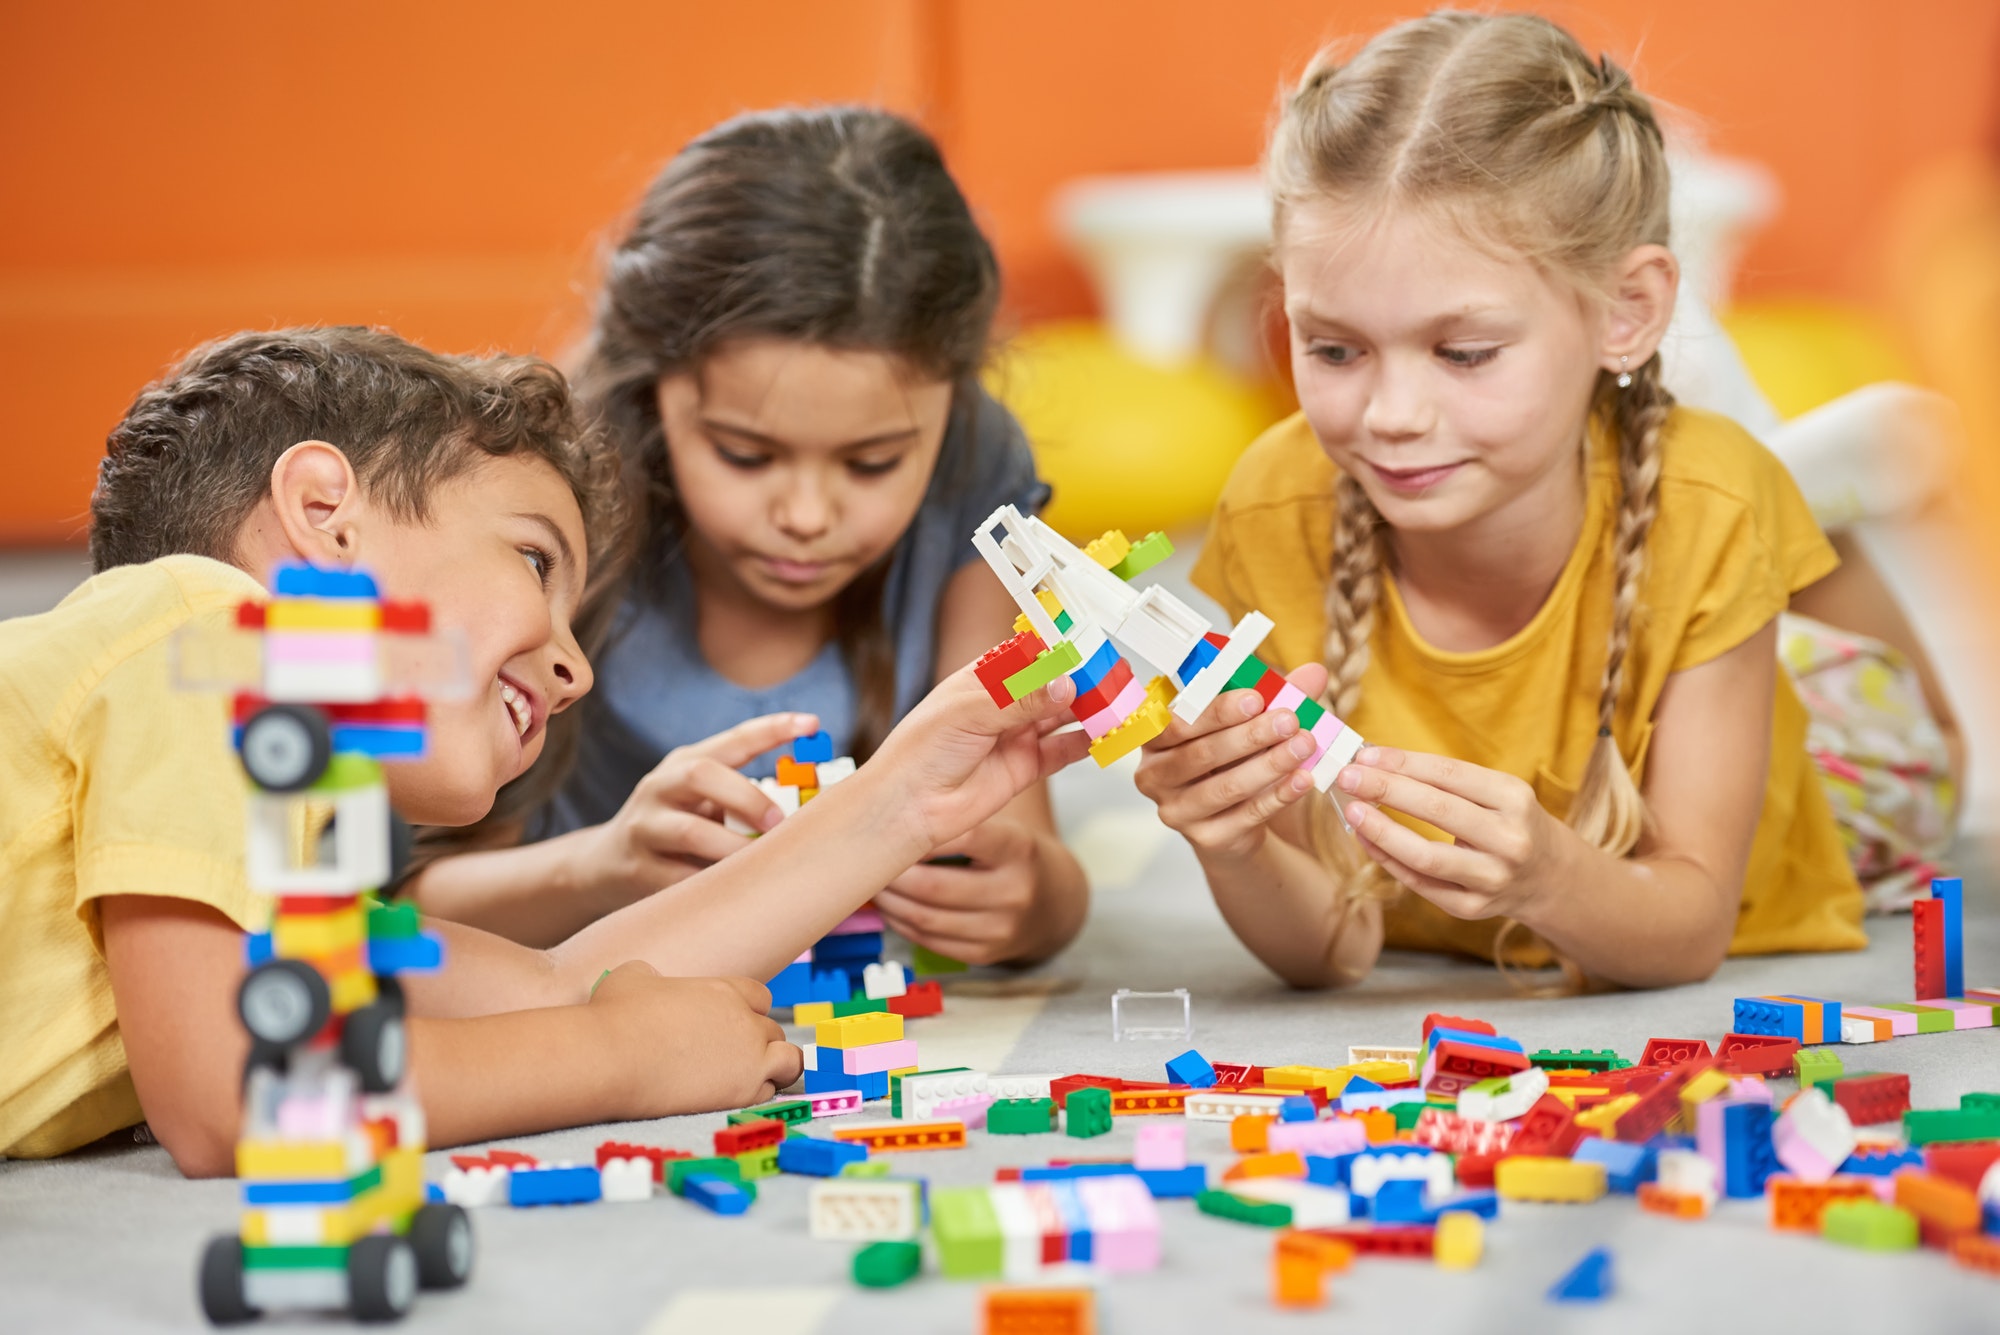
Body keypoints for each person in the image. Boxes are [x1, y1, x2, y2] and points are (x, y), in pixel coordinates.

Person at [0, 327, 1084, 1175]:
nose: (576, 672)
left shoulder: (261, 846)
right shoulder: (203, 630)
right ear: (325, 516)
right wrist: (623, 1062)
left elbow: (561, 986)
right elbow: (244, 1099)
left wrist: (904, 801)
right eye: (532, 560)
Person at [1134, 11, 1948, 990]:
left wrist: (1547, 875)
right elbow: (1329, 946)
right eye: (1333, 349)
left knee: (1881, 709)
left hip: (1826, 760)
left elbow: (1686, 929)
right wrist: (1232, 846)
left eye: (1463, 352)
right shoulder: (1275, 502)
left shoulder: (1711, 508)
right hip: (1618, 588)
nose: (1390, 416)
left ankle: (1809, 509)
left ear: (1624, 312)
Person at [405, 107, 1089, 966]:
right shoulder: (543, 500)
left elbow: (1028, 852)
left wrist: (1037, 900)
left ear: (948, 407)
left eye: (873, 462)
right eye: (745, 454)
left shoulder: (973, 471)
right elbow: (395, 911)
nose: (806, 513)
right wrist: (603, 866)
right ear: (657, 391)